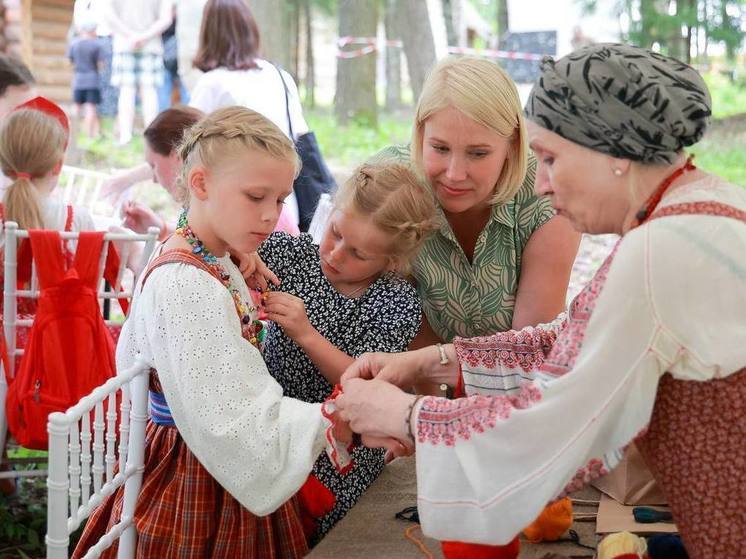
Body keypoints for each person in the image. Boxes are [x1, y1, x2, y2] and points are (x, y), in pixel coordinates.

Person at [336, 44, 746, 559]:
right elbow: (576, 339)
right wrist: (433, 360)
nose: (542, 183)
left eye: (550, 159)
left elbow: (549, 421)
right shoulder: (695, 213)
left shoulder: (659, 250)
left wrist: (408, 417)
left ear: (612, 153)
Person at [72, 106, 359, 558]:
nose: (270, 215)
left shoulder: (204, 252)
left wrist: (229, 266)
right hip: (198, 467)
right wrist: (326, 421)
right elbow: (230, 417)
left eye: (280, 200)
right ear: (201, 184)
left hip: (199, 455)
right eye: (255, 196)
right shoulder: (187, 283)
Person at [259, 163, 437, 542]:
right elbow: (219, 240)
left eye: (358, 253)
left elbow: (366, 386)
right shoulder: (292, 257)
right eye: (336, 232)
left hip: (340, 453)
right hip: (273, 431)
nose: (337, 254)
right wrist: (242, 258)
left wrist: (307, 334)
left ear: (390, 262)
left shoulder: (396, 302)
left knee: (322, 537)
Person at [370, 56, 579, 354]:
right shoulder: (388, 181)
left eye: (478, 154)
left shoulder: (547, 191)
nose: (455, 174)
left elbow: (529, 350)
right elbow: (374, 297)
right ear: (419, 133)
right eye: (440, 148)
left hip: (513, 381)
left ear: (513, 144)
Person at [188, 0, 309, 229]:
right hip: (282, 205)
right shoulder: (279, 76)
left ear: (208, 32)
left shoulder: (213, 83)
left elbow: (188, 147)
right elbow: (298, 135)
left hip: (238, 210)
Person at [104, 0, 173, 144]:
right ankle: (150, 137)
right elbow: (166, 18)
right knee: (149, 92)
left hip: (125, 44)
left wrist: (130, 35)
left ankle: (125, 135)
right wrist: (144, 36)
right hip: (151, 45)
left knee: (126, 91)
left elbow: (108, 14)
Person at [68, 19, 103, 138]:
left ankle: (72, 134)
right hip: (92, 80)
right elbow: (100, 65)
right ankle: (89, 135)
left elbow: (71, 62)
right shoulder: (97, 45)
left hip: (78, 80)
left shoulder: (74, 44)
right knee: (90, 108)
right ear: (92, 30)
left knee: (76, 107)